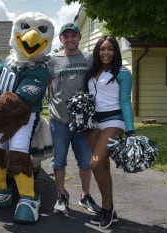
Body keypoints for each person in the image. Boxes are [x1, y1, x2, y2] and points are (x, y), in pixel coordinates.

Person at [47, 23, 101, 214]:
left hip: (82, 122)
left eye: (73, 36)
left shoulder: (88, 58)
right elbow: (46, 83)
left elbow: (99, 82)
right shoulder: (52, 61)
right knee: (58, 161)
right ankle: (61, 196)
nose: (70, 39)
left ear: (79, 37)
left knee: (85, 161)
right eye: (66, 36)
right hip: (59, 119)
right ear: (60, 39)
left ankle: (85, 196)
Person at [85, 35, 134, 229]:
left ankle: (106, 209)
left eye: (110, 49)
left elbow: (125, 102)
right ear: (97, 51)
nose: (106, 52)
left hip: (114, 121)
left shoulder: (122, 72)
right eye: (102, 49)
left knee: (95, 164)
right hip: (93, 123)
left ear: (116, 52)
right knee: (102, 167)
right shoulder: (92, 72)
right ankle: (110, 210)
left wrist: (130, 130)